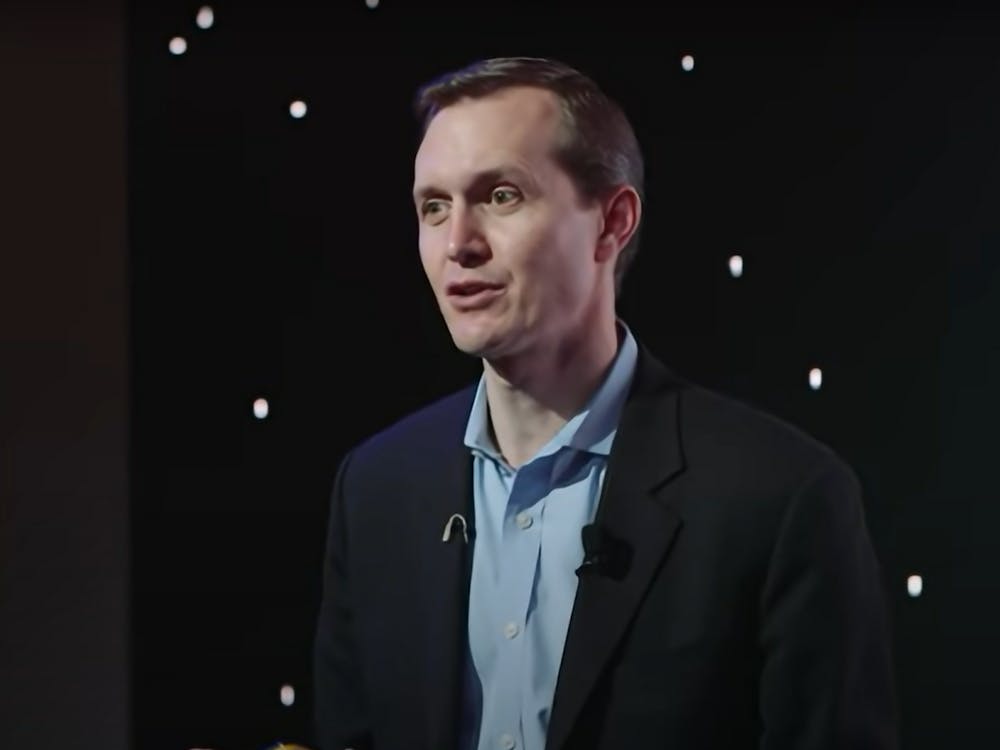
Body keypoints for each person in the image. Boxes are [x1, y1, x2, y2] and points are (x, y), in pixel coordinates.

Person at [313, 56, 897, 750]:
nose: (457, 244)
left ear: (612, 223)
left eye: (500, 195)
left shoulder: (781, 497)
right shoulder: (376, 488)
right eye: (432, 207)